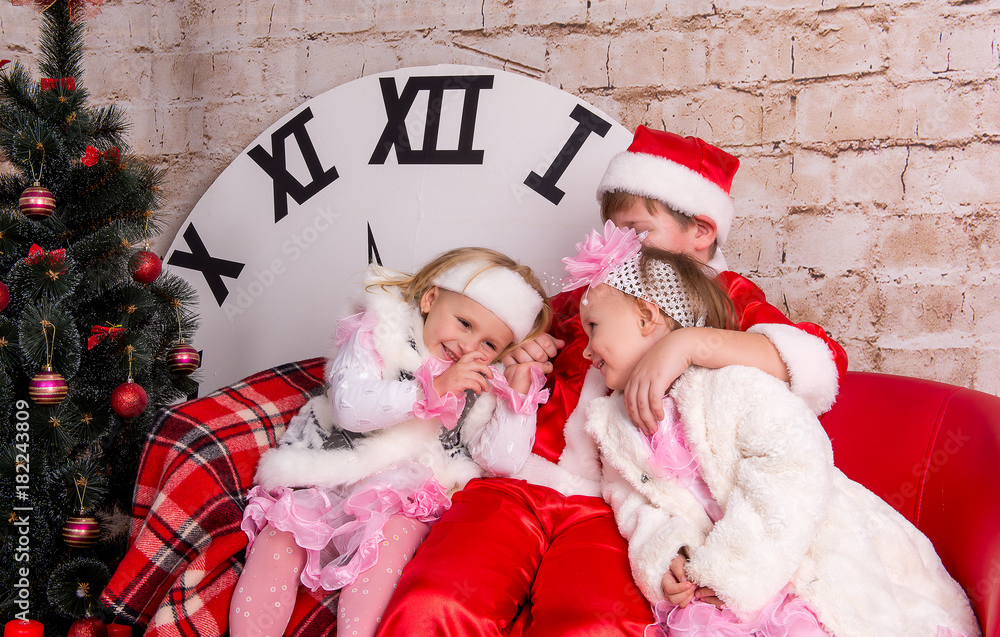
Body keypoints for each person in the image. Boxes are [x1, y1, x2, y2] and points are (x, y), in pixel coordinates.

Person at [378, 127, 849, 635]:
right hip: (521, 479)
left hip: (614, 507)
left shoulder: (728, 296)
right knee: (437, 600)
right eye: (614, 230)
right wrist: (523, 348)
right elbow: (505, 342)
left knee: (593, 625)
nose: (621, 244)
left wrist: (686, 344)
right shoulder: (597, 289)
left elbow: (816, 361)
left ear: (702, 232)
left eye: (637, 230)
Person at [560, 223, 980, 636]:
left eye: (594, 327)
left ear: (648, 316)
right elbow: (635, 503)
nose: (587, 347)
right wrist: (668, 550)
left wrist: (735, 567)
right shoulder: (614, 425)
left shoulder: (730, 382)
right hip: (710, 586)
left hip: (795, 559)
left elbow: (793, 465)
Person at [228, 247, 552, 637]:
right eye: (465, 323)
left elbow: (501, 461)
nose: (470, 347)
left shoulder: (480, 381)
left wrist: (519, 399)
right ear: (431, 299)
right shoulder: (383, 330)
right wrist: (428, 391)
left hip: (404, 495)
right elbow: (349, 406)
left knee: (387, 553)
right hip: (331, 469)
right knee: (281, 537)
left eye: (489, 344)